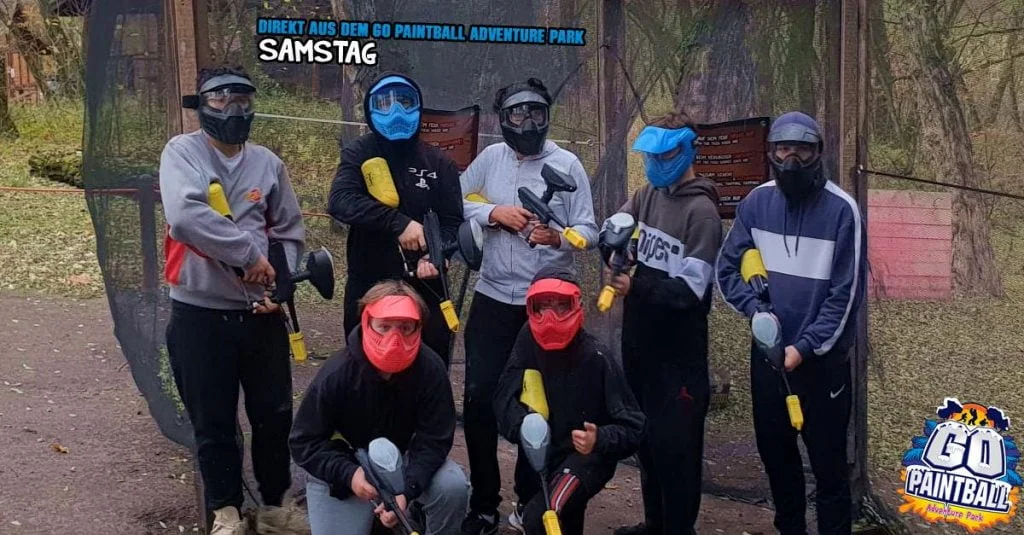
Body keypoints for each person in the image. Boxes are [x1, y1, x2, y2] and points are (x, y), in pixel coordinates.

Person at [159, 65, 308, 535]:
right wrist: (247, 256)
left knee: (273, 418)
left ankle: (273, 506)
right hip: (199, 313)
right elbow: (185, 217)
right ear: (202, 104)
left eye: (242, 99)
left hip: (260, 316)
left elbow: (288, 231)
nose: (233, 109)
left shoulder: (268, 163)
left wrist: (279, 288)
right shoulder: (182, 152)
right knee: (214, 421)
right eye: (221, 99)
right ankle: (225, 510)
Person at [715, 111, 867, 535]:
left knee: (829, 467)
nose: (792, 159)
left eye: (803, 150)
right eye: (784, 149)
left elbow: (845, 295)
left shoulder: (842, 210)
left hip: (822, 365)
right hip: (768, 360)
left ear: (819, 154)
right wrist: (756, 312)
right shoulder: (756, 203)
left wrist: (804, 347)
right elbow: (727, 269)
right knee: (777, 460)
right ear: (772, 153)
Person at [459, 77, 600, 534]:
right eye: (517, 114)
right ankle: (484, 503)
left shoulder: (567, 164)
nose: (527, 123)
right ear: (503, 118)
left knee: (539, 404)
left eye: (536, 113)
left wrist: (557, 237)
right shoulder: (491, 159)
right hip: (492, 296)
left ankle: (529, 501)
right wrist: (493, 213)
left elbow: (590, 230)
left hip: (545, 304)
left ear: (547, 115)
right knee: (479, 397)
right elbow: (455, 199)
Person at [606, 110, 723, 535]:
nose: (656, 163)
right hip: (641, 344)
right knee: (648, 442)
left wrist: (634, 286)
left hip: (679, 355)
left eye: (666, 154)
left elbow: (690, 291)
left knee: (677, 451)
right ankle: (655, 524)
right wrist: (614, 250)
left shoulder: (702, 212)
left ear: (688, 150)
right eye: (651, 155)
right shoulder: (647, 195)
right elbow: (615, 228)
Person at [289, 280, 470, 535]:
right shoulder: (337, 373)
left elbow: (434, 439)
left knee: (452, 486)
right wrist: (349, 474)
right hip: (349, 467)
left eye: (405, 327)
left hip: (405, 463)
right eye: (384, 326)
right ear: (367, 323)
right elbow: (303, 441)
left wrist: (408, 489)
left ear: (419, 327)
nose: (394, 338)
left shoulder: (431, 370)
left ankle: (417, 516)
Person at [493, 267, 645, 535]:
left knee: (543, 517)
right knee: (558, 519)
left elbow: (634, 427)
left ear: (577, 306)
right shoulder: (528, 338)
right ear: (531, 308)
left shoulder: (596, 357)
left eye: (561, 306)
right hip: (544, 453)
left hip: (586, 458)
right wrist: (523, 424)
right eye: (543, 306)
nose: (551, 317)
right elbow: (503, 397)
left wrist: (599, 438)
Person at [328, 71, 464, 366]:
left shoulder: (439, 162)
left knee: (428, 369)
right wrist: (399, 224)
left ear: (418, 106)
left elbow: (453, 223)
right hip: (369, 284)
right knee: (364, 369)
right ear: (371, 109)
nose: (396, 111)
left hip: (426, 289)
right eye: (385, 103)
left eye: (405, 101)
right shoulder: (359, 153)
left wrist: (437, 254)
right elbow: (341, 202)